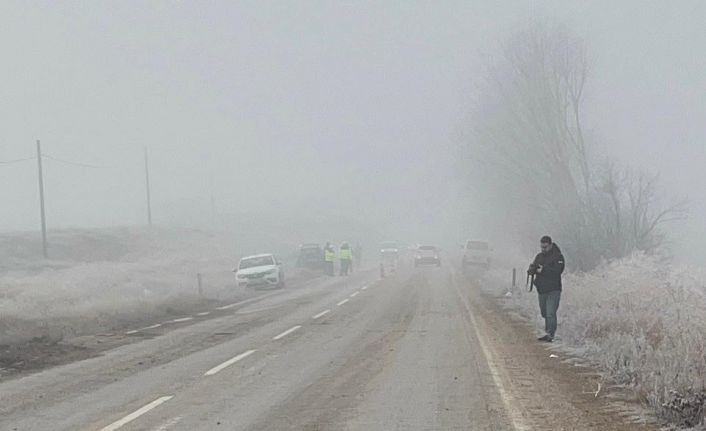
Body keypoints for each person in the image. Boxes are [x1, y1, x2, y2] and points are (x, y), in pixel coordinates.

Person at [527, 235, 565, 342]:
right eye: (542, 247)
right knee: (544, 312)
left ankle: (550, 334)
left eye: (545, 247)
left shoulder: (558, 257)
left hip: (554, 289)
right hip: (542, 289)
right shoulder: (539, 256)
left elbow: (558, 271)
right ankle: (548, 331)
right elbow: (534, 267)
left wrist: (544, 270)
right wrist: (531, 270)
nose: (543, 249)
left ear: (550, 245)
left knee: (550, 312)